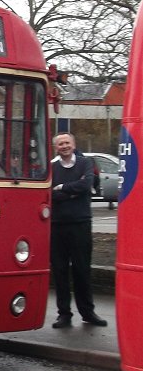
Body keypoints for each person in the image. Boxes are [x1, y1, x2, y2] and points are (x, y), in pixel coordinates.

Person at [50, 132, 107, 328]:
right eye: (60, 144)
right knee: (60, 271)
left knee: (82, 270)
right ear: (56, 148)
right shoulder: (52, 168)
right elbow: (49, 194)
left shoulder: (85, 163)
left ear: (73, 145)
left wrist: (61, 188)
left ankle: (87, 312)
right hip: (57, 226)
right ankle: (64, 314)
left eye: (67, 143)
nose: (64, 146)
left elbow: (86, 185)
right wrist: (71, 192)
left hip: (81, 224)